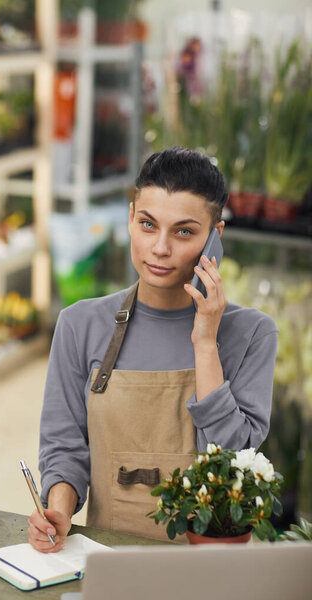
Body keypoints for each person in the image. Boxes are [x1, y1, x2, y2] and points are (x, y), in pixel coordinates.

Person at [28, 146, 278, 553]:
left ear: (214, 237)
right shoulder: (79, 325)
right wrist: (59, 510)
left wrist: (205, 343)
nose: (160, 248)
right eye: (147, 224)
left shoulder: (252, 334)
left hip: (207, 569)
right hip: (105, 560)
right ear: (130, 219)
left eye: (183, 231)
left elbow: (233, 462)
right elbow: (64, 446)